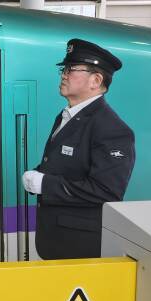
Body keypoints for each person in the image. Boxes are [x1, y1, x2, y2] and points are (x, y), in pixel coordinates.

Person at [22, 39, 136, 259]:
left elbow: (107, 191)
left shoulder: (112, 129)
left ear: (96, 80)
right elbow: (66, 166)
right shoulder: (67, 116)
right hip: (56, 238)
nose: (64, 74)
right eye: (63, 69)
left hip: (79, 246)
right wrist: (38, 174)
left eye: (71, 69)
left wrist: (44, 184)